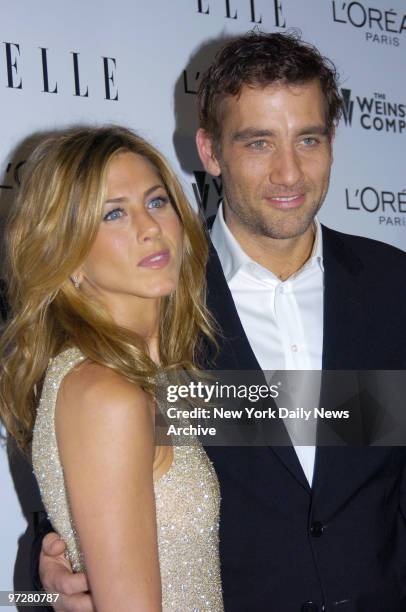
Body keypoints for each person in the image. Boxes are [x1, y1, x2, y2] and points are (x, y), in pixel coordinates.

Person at [34, 32, 406, 611]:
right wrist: (51, 565)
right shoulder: (158, 296)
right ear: (209, 152)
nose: (289, 173)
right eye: (259, 143)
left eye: (308, 139)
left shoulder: (393, 285)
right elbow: (96, 470)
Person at [0, 126, 223, 611]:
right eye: (115, 213)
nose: (149, 227)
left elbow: (351, 416)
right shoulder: (106, 392)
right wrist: (40, 590)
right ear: (69, 256)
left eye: (157, 201)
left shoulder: (156, 367)